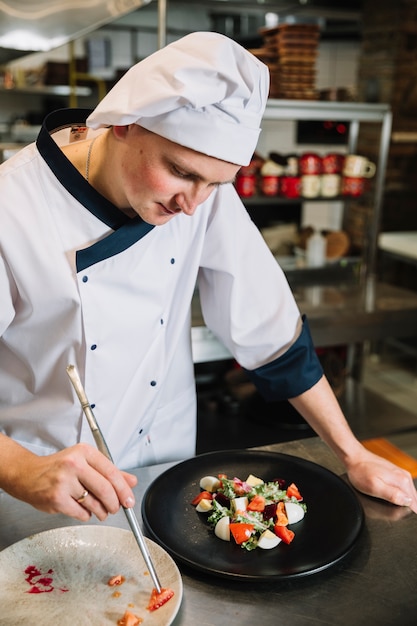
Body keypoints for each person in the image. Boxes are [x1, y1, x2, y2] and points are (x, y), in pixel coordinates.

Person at [1, 32, 416, 524]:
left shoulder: (203, 195)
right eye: (178, 171)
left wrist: (353, 454)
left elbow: (271, 329)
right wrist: (21, 469)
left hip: (162, 464)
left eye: (216, 183)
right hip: (43, 479)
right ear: (124, 125)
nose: (192, 204)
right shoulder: (14, 206)